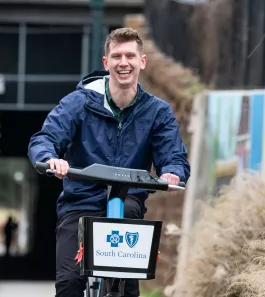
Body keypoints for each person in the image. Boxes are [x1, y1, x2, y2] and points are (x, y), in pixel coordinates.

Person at [27, 27, 190, 297]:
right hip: (80, 200)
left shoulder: (157, 112)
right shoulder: (79, 103)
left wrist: (173, 172)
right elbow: (46, 137)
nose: (123, 63)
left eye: (130, 56)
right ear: (106, 63)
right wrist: (50, 158)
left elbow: (173, 154)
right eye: (116, 56)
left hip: (128, 201)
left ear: (142, 61)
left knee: (127, 287)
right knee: (68, 284)